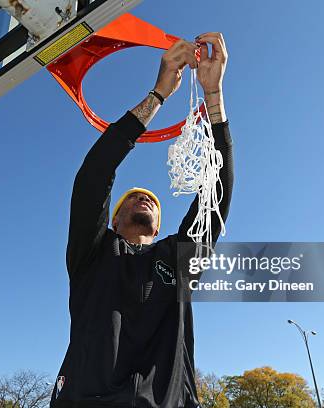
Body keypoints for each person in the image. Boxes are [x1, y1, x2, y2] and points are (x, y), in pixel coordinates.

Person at [51, 32, 234, 408]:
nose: (143, 199)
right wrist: (158, 95)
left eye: (150, 200)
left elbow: (215, 198)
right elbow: (93, 177)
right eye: (133, 198)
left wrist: (213, 97)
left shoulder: (177, 259)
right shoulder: (92, 253)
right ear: (114, 219)